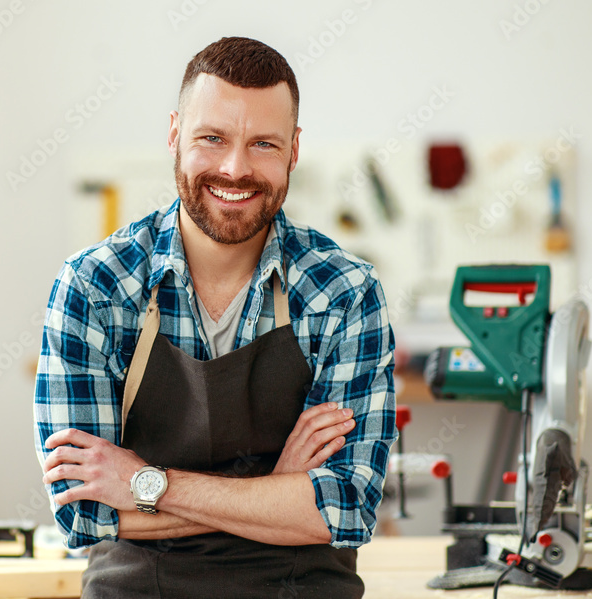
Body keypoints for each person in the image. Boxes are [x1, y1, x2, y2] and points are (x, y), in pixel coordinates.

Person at [33, 36, 396, 598]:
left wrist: (143, 483)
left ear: (294, 150)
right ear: (175, 134)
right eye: (213, 138)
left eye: (263, 145)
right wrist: (278, 488)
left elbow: (344, 509)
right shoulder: (93, 287)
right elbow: (83, 517)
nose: (235, 168)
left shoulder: (343, 293)